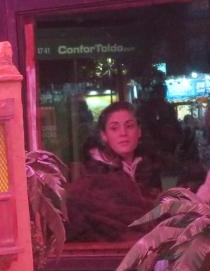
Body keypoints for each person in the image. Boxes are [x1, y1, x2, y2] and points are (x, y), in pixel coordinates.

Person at [66, 102, 159, 242]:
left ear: (139, 131)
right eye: (114, 128)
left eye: (129, 126)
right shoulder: (93, 176)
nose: (123, 133)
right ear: (104, 135)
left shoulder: (149, 168)